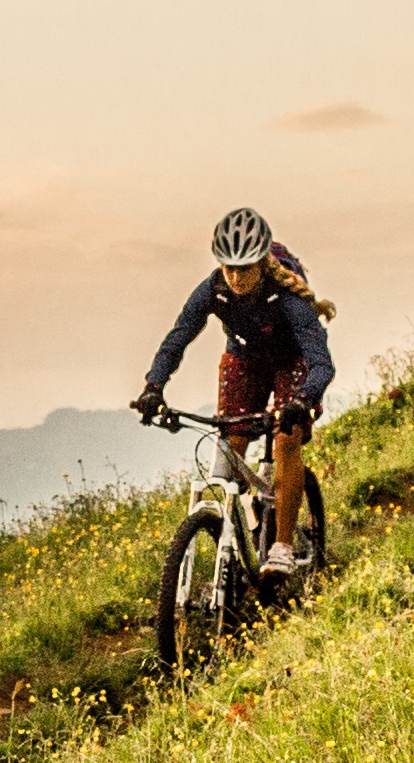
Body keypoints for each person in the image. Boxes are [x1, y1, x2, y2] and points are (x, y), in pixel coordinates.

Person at [135, 206, 335, 572]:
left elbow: (322, 362)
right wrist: (153, 387)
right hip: (245, 360)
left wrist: (303, 400)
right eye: (228, 267)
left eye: (244, 268)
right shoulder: (213, 289)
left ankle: (282, 548)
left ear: (261, 262)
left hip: (293, 361)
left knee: (286, 439)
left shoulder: (287, 296)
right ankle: (239, 530)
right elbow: (177, 339)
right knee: (231, 445)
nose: (235, 277)